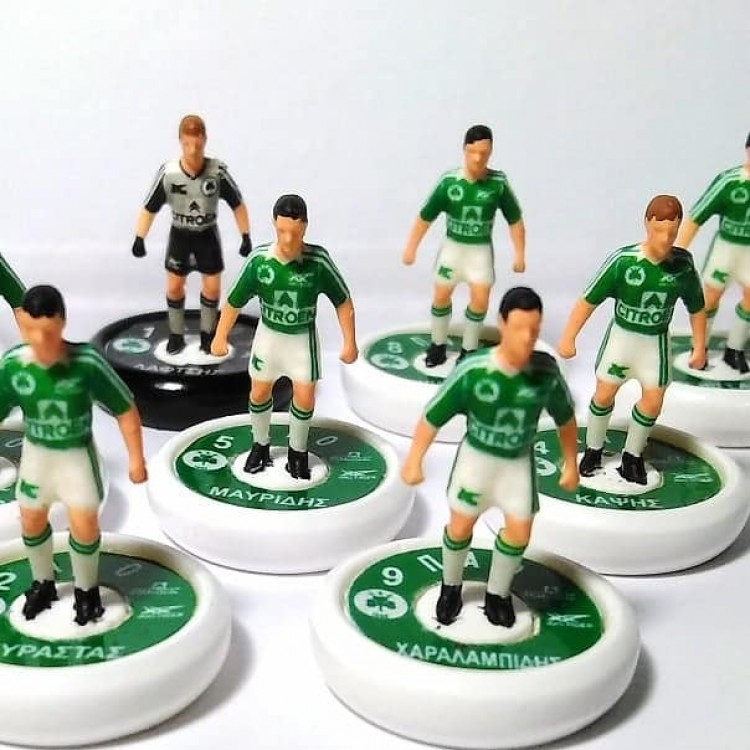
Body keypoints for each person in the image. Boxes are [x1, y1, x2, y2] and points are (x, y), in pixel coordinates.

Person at [402, 287, 578, 627]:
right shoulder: (475, 370)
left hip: (517, 465)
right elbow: (432, 416)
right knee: (460, 525)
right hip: (477, 461)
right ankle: (450, 588)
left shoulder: (546, 373)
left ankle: (497, 594)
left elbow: (566, 419)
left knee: (519, 533)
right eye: (519, 328)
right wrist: (414, 460)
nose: (527, 338)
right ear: (502, 324)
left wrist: (570, 463)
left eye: (534, 330)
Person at [0, 285, 147, 625]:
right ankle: (43, 583)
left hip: (76, 457)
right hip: (37, 456)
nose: (40, 340)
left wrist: (136, 459)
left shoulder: (87, 363)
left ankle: (86, 591)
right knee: (31, 519)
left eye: (48, 332)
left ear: (62, 324)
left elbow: (125, 408)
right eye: (32, 331)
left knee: (83, 524)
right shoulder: (15, 365)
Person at [559, 195, 707, 485]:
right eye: (659, 230)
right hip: (622, 340)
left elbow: (697, 306)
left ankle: (632, 455)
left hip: (655, 344)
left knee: (653, 401)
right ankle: (593, 449)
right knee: (604, 394)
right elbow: (589, 300)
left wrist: (700, 346)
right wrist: (569, 337)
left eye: (672, 232)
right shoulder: (623, 262)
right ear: (647, 225)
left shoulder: (682, 265)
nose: (665, 238)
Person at [212, 194, 358, 479]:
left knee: (304, 397)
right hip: (269, 338)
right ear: (274, 225)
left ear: (305, 227)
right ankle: (260, 445)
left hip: (302, 341)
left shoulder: (318, 262)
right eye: (282, 231)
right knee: (258, 392)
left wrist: (349, 341)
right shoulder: (260, 261)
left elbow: (343, 301)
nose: (288, 239)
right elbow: (233, 301)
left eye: (295, 232)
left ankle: (297, 452)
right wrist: (220, 337)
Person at [402, 124, 526, 366]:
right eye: (473, 152)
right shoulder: (450, 183)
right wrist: (411, 248)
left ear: (491, 152)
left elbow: (515, 220)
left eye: (484, 153)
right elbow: (425, 217)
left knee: (480, 299)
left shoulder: (498, 184)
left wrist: (520, 254)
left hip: (479, 253)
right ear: (464, 150)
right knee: (441, 295)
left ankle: (469, 349)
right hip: (453, 250)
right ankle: (438, 344)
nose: (478, 158)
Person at [132, 114, 252, 354]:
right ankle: (176, 334)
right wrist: (140, 237)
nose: (193, 150)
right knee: (175, 287)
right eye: (187, 143)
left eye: (197, 143)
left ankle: (208, 334)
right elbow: (149, 207)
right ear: (180, 141)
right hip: (180, 236)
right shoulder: (169, 174)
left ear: (205, 140)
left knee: (212, 288)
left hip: (207, 236)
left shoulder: (217, 173)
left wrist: (245, 235)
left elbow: (237, 204)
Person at [676, 131, 750, 373]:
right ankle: (700, 347)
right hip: (726, 250)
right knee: (710, 297)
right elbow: (696, 217)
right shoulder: (729, 182)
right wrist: (678, 251)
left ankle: (735, 349)